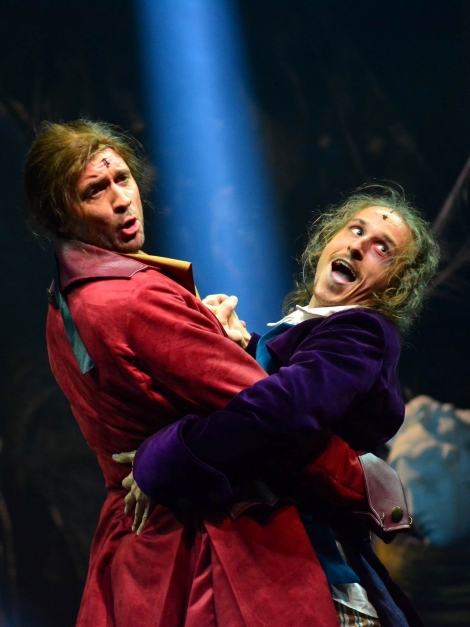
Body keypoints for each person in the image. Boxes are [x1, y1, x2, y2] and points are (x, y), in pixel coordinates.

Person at [24, 119, 432, 627]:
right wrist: (237, 343)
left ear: (396, 284)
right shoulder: (126, 296)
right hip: (215, 543)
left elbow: (280, 408)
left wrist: (168, 452)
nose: (122, 199)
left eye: (382, 248)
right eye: (355, 230)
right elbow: (271, 392)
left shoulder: (361, 331)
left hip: (290, 550)